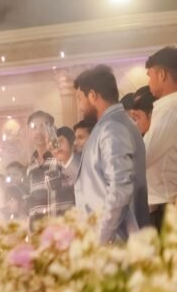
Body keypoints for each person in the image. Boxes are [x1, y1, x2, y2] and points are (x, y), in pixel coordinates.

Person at [73, 65, 150, 243]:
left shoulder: (112, 128)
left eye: (79, 98)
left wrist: (101, 238)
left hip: (117, 243)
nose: (80, 106)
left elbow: (120, 189)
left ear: (93, 95)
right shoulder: (111, 124)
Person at [144, 46, 177, 228]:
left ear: (162, 75)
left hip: (167, 205)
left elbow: (144, 155)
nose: (148, 81)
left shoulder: (169, 109)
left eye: (150, 75)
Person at [25, 110, 71, 223]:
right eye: (33, 127)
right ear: (29, 133)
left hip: (63, 230)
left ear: (53, 129)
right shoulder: (30, 166)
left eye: (43, 126)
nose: (38, 132)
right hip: (38, 234)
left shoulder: (63, 157)